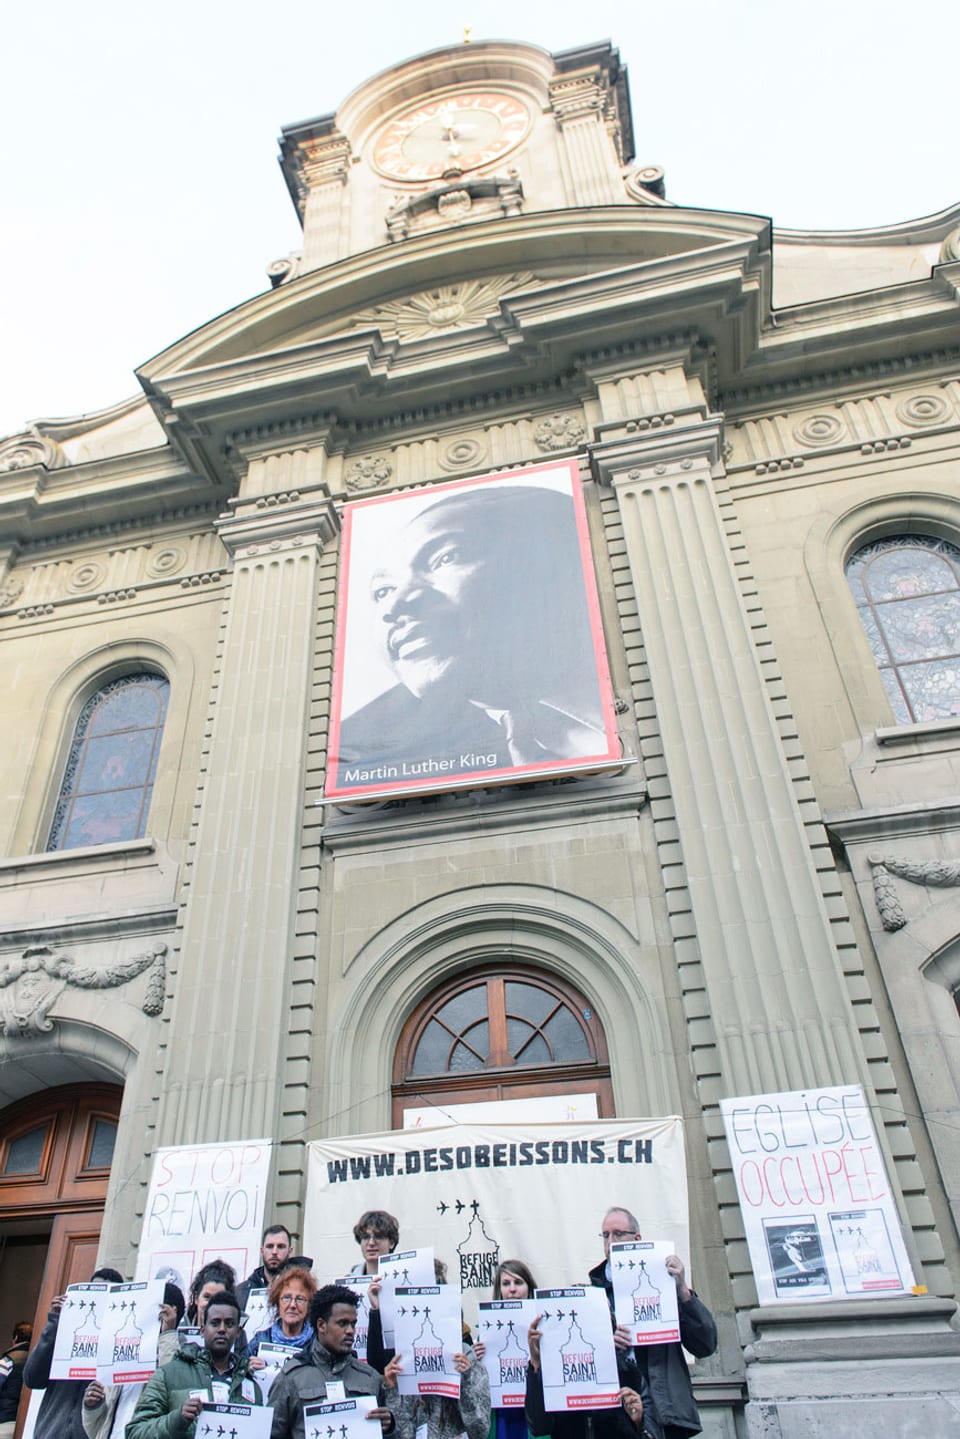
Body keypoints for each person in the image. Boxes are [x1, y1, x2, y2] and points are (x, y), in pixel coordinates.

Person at [334, 483, 611, 786]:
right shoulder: (362, 748)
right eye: (383, 591)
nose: (395, 605)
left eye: (445, 558)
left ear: (550, 558)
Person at [589, 1208, 716, 1439]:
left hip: (664, 1409)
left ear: (637, 1238)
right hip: (616, 1411)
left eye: (618, 1234)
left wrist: (683, 1293)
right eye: (605, 1235)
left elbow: (705, 1345)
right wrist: (607, 1344)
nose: (610, 1242)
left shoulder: (665, 1281)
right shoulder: (593, 1293)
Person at [126, 1291, 262, 1438]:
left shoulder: (252, 1387)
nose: (222, 1329)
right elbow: (135, 1432)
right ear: (202, 1330)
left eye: (229, 1324)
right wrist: (177, 1419)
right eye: (215, 1323)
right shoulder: (168, 1374)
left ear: (238, 1332)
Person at [267, 1282, 394, 1439]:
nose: (350, 1331)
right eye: (342, 1323)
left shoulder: (370, 1377)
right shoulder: (291, 1378)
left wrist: (389, 1428)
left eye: (353, 1324)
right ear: (321, 1325)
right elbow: (270, 1434)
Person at [22, 1266, 124, 1439]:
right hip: (50, 1434)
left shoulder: (119, 1342)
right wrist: (54, 1322)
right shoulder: (65, 1333)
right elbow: (32, 1379)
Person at [524, 1311, 660, 1439]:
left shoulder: (630, 1374)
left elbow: (652, 1434)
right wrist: (536, 1365)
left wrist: (639, 1421)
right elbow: (539, 1427)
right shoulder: (553, 1377)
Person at [81, 1282, 184, 1439]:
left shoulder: (182, 1354)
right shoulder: (120, 1358)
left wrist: (168, 1332)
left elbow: (173, 1393)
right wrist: (92, 1406)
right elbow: (95, 1430)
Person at [473, 1260, 538, 1439]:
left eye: (518, 1283)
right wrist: (475, 1361)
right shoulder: (485, 1334)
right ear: (499, 1289)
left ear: (529, 1287)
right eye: (506, 1283)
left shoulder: (542, 1327)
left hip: (535, 1414)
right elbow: (477, 1389)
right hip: (502, 1414)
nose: (512, 1289)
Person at [383, 1339, 490, 1439]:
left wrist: (465, 1382)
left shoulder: (474, 1368)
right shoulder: (407, 1365)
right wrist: (393, 1390)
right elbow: (403, 1434)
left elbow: (479, 1432)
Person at [249, 1265, 317, 1364]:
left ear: (309, 1305)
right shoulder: (259, 1341)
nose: (292, 1305)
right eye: (286, 1298)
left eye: (300, 1299)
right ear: (277, 1302)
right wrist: (249, 1369)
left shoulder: (318, 1343)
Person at [237, 1224, 313, 1314]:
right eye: (270, 1246)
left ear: (290, 1251)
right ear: (262, 1251)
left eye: (280, 1246)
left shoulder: (304, 1289)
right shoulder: (242, 1291)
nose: (274, 1252)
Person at [0, 1320, 31, 1438]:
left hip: (4, 1423)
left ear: (15, 1338)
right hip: (25, 1425)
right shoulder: (36, 1362)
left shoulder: (7, 1362)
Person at [351, 1210, 400, 1276]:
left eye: (378, 1237)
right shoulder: (347, 1283)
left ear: (391, 1243)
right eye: (365, 1237)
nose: (371, 1243)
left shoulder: (406, 1278)